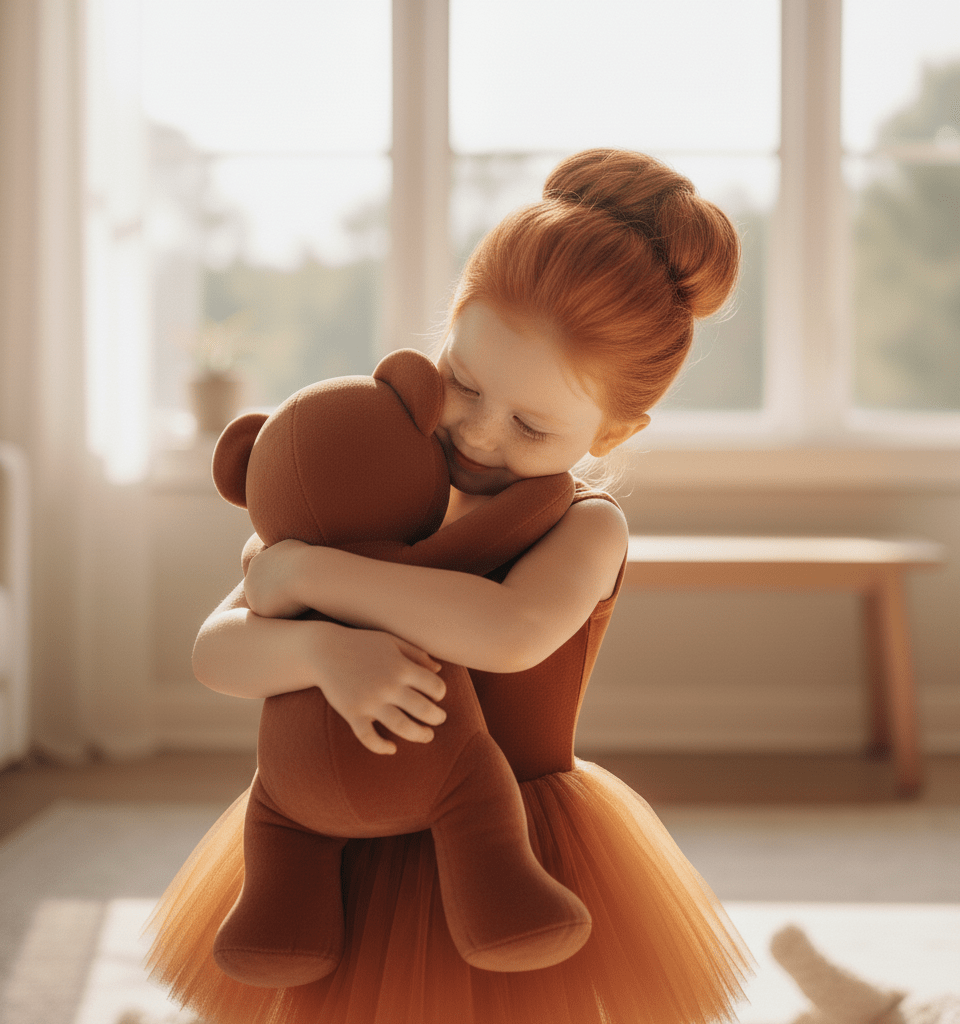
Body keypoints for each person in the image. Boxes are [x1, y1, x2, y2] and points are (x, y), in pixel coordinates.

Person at [146, 148, 751, 1024]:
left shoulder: (584, 526)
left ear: (613, 432)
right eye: (463, 381)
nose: (477, 428)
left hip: (510, 841)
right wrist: (320, 649)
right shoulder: (374, 479)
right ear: (449, 327)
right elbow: (216, 654)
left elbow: (507, 630)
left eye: (533, 425)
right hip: (341, 831)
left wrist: (310, 574)